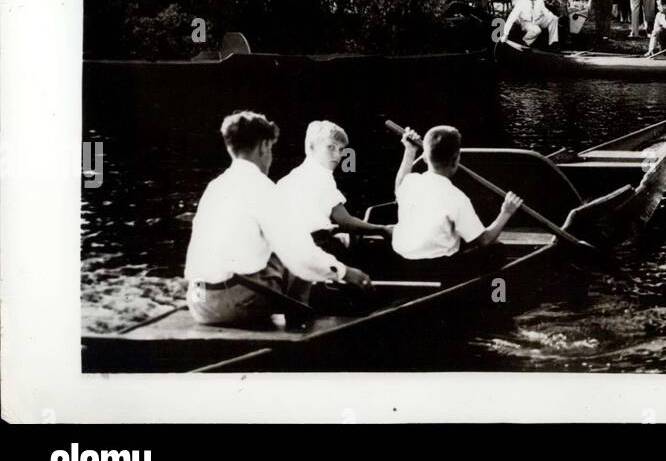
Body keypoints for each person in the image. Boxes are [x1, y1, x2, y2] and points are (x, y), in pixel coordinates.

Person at [183, 111, 370, 327]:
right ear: (263, 146)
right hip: (232, 306)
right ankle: (302, 326)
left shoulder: (215, 186)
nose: (270, 156)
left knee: (273, 251)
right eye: (270, 149)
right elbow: (301, 255)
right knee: (299, 251)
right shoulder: (262, 187)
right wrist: (346, 273)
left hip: (198, 303)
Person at [392, 125, 523, 277]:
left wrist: (410, 151)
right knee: (496, 249)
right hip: (437, 269)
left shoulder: (411, 182)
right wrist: (506, 212)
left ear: (426, 157)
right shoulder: (457, 197)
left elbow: (399, 185)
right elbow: (484, 240)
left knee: (456, 237)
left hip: (403, 263)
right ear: (456, 160)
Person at [277, 121, 392, 263]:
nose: (338, 155)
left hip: (287, 254)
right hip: (318, 249)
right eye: (331, 147)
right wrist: (384, 229)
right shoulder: (321, 175)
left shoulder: (287, 180)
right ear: (311, 147)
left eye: (341, 149)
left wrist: (331, 230)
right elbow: (345, 221)